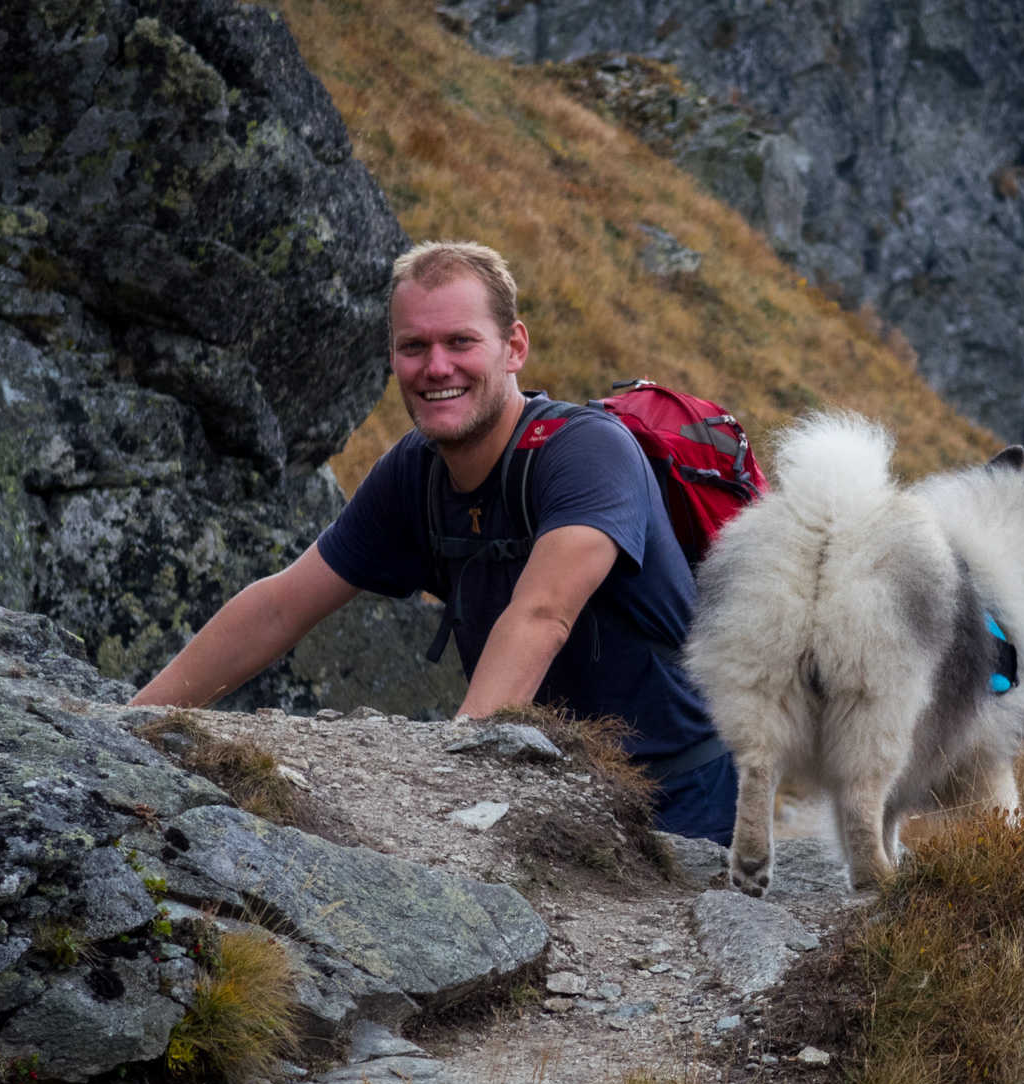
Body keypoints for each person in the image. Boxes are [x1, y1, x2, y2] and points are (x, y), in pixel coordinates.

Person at [131, 240, 736, 843]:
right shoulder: (414, 473)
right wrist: (136, 723)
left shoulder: (585, 453)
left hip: (681, 795)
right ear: (392, 357)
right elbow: (280, 605)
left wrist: (453, 775)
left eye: (461, 342)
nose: (436, 367)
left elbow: (541, 615)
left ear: (514, 347)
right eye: (414, 346)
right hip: (553, 788)